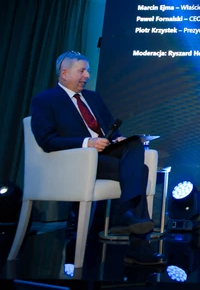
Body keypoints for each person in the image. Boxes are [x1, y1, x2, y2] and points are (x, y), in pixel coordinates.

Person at [30, 51, 165, 266]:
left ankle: (128, 216)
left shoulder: (93, 98)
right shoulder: (45, 100)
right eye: (82, 71)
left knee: (134, 144)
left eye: (88, 71)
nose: (87, 76)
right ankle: (137, 245)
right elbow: (46, 140)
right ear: (64, 73)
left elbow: (111, 127)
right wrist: (87, 142)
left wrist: (118, 138)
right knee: (141, 171)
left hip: (105, 154)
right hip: (77, 160)